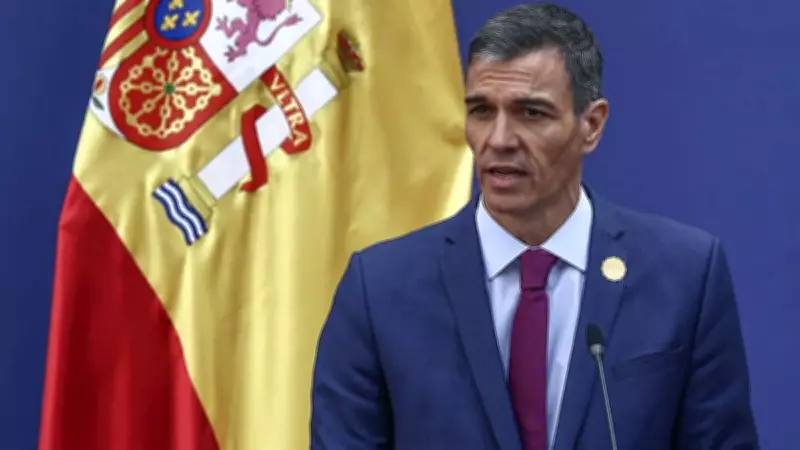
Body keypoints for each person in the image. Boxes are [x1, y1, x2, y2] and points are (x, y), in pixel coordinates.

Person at [310, 3, 759, 449]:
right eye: (482, 111)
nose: (499, 139)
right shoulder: (380, 290)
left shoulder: (684, 277)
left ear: (591, 125)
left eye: (531, 113)